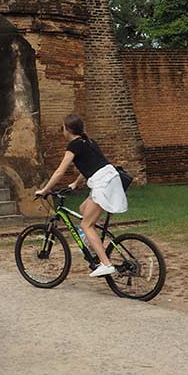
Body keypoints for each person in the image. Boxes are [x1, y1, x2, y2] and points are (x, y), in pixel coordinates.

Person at [35, 114, 128, 278]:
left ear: (68, 129)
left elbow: (59, 171)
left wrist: (44, 190)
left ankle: (106, 264)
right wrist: (75, 184)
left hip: (103, 184)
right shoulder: (88, 142)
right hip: (111, 178)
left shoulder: (74, 145)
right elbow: (91, 167)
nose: (62, 131)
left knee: (87, 225)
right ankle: (91, 245)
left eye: (63, 128)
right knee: (83, 208)